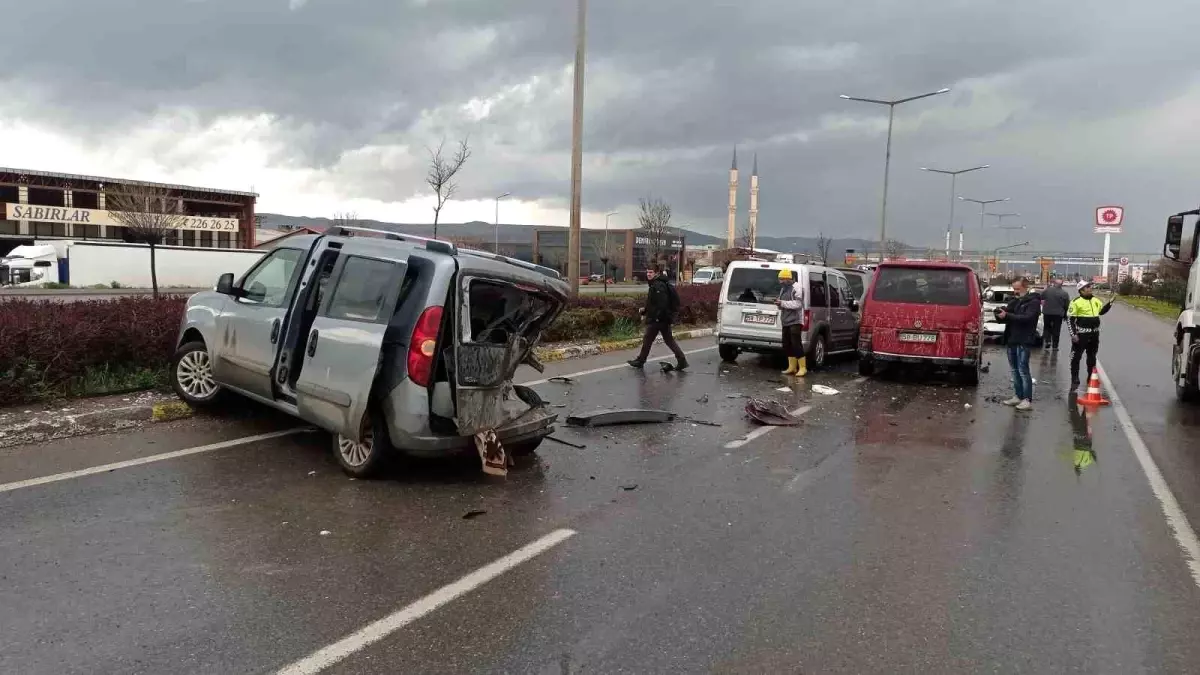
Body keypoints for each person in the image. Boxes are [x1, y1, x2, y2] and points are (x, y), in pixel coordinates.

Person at [627, 265, 688, 370]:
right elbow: (653, 303)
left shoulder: (658, 285)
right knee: (668, 340)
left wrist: (657, 317)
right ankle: (682, 360)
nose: (648, 274)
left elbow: (662, 304)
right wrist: (645, 311)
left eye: (650, 272)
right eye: (647, 272)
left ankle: (641, 361)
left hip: (659, 319)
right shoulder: (656, 284)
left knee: (648, 338)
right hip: (662, 318)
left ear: (656, 273)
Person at [995, 277, 1041, 411]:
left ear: (1025, 287)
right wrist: (1000, 315)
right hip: (1012, 339)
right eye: (1013, 288)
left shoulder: (1033, 302)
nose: (1015, 291)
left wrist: (1008, 315)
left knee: (1023, 370)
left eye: (1017, 289)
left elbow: (1027, 318)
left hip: (1024, 339)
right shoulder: (1015, 301)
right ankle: (1018, 396)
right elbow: (1007, 317)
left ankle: (1027, 399)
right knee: (1014, 370)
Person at [1067, 280, 1113, 389]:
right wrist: (1073, 335)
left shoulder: (1096, 300)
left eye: (1089, 286)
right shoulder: (1076, 302)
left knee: (1092, 357)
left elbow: (1100, 312)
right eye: (1087, 287)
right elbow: (1070, 320)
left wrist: (1109, 304)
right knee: (1076, 357)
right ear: (1081, 290)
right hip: (1081, 335)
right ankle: (1075, 377)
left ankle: (1090, 377)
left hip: (1094, 334)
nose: (1089, 288)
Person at [775, 268, 807, 376]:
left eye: (782, 280)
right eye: (779, 280)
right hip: (786, 320)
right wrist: (779, 304)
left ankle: (802, 367)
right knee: (786, 344)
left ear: (788, 279)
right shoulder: (783, 289)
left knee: (796, 344)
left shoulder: (797, 288)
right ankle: (792, 367)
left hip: (796, 321)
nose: (780, 282)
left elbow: (798, 304)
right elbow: (783, 304)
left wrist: (782, 303)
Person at [1041, 278, 1070, 350]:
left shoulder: (1047, 291)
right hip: (1058, 314)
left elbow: (1041, 298)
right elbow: (1067, 306)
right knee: (1056, 329)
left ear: (1054, 283)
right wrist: (1065, 315)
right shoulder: (1064, 293)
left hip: (1047, 312)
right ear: (1061, 285)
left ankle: (1047, 341)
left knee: (1047, 327)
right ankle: (1055, 346)